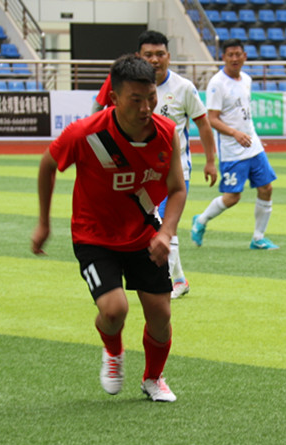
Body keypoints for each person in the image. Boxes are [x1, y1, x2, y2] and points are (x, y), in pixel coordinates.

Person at [32, 54, 185, 402]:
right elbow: (47, 165)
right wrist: (44, 222)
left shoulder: (166, 133)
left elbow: (177, 189)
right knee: (114, 311)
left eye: (151, 98)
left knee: (161, 316)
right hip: (94, 236)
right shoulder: (84, 133)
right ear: (114, 98)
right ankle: (113, 349)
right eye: (136, 100)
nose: (146, 108)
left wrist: (166, 232)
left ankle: (153, 378)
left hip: (144, 233)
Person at [92, 30, 217, 299]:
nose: (155, 60)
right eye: (148, 54)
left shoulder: (183, 88)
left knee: (162, 222)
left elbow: (203, 124)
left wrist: (210, 161)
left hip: (174, 170)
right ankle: (179, 279)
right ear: (138, 56)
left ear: (168, 56)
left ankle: (170, 282)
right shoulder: (127, 87)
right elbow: (99, 112)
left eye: (160, 54)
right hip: (138, 172)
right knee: (151, 222)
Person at [190, 38, 279, 250]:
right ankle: (201, 220)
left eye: (238, 54)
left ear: (244, 56)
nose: (234, 58)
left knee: (266, 188)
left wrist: (249, 134)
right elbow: (212, 119)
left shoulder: (246, 79)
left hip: (253, 145)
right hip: (232, 151)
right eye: (230, 55)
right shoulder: (217, 84)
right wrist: (235, 133)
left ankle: (258, 238)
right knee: (232, 197)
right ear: (223, 57)